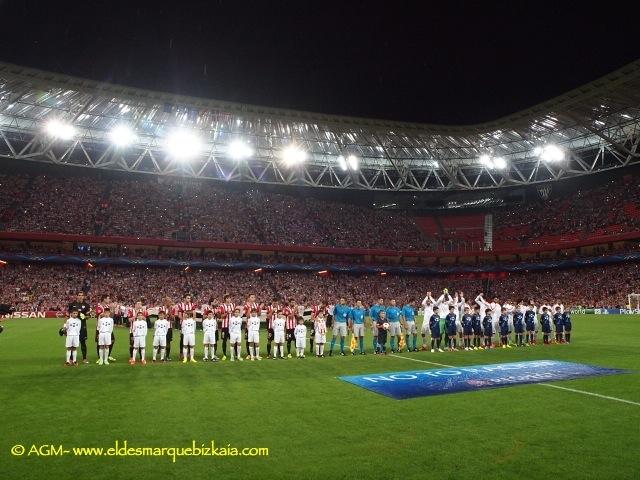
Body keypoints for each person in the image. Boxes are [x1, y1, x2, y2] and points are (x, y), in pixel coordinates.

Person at [68, 291, 91, 364]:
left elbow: (88, 316)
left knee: (83, 342)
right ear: (77, 296)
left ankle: (84, 358)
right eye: (79, 295)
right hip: (73, 327)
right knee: (72, 343)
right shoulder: (72, 304)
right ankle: (71, 359)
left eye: (82, 295)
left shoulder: (86, 305)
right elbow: (68, 315)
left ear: (84, 296)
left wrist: (85, 316)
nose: (80, 296)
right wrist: (66, 326)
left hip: (82, 326)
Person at [218, 295, 235, 360]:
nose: (229, 299)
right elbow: (221, 316)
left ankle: (235, 354)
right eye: (227, 298)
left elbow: (235, 314)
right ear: (225, 299)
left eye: (230, 298)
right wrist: (227, 313)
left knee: (234, 341)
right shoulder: (222, 306)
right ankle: (224, 354)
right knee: (224, 340)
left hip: (232, 327)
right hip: (224, 326)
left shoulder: (233, 305)